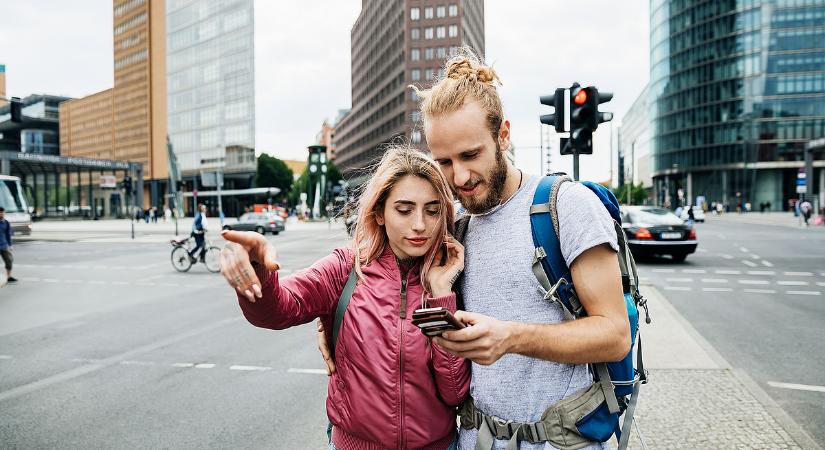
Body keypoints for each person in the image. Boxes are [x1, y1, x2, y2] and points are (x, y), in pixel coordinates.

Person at [314, 52, 630, 450]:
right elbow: (384, 277)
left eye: (470, 155)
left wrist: (511, 337)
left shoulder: (566, 207)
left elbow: (615, 334)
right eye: (443, 161)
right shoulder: (454, 225)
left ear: (503, 136)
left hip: (559, 441)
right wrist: (334, 317)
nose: (459, 176)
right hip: (472, 439)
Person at [220, 146, 470, 449]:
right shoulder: (345, 269)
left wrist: (442, 293)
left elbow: (454, 392)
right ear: (379, 212)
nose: (420, 224)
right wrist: (258, 268)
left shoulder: (454, 273)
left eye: (432, 211)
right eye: (404, 210)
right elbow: (277, 310)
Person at [0, 207, 16, 285]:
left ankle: (8, 277)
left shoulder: (6, 223)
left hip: (4, 245)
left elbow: (8, 235)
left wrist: (10, 245)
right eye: (0, 212)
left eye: (2, 212)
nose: (1, 214)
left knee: (9, 260)